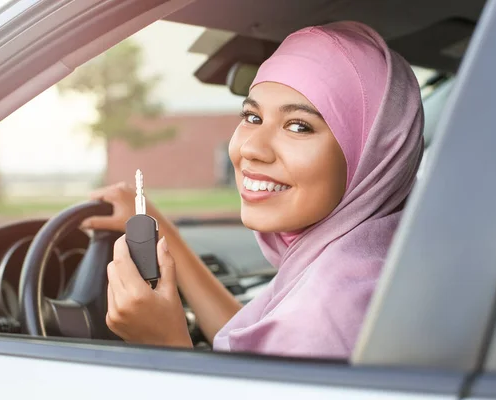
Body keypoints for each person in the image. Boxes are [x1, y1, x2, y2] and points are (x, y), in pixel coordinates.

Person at [81, 20, 424, 359]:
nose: (251, 149)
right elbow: (256, 345)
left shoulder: (328, 313)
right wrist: (161, 231)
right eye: (253, 117)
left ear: (372, 152)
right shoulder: (370, 253)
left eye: (299, 126)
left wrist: (164, 344)